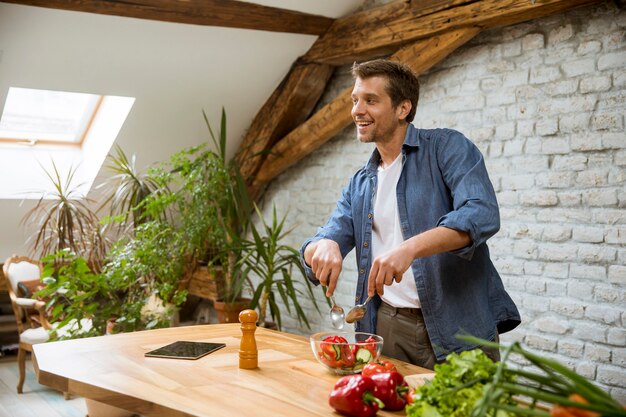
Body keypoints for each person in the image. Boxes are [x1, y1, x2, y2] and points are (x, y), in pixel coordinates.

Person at [300, 59, 520, 369]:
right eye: (355, 100)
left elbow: (480, 212)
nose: (357, 110)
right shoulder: (361, 182)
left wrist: (409, 249)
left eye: (370, 100)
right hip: (386, 323)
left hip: (457, 321)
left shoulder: (446, 148)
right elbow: (327, 235)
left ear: (403, 108)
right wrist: (321, 246)